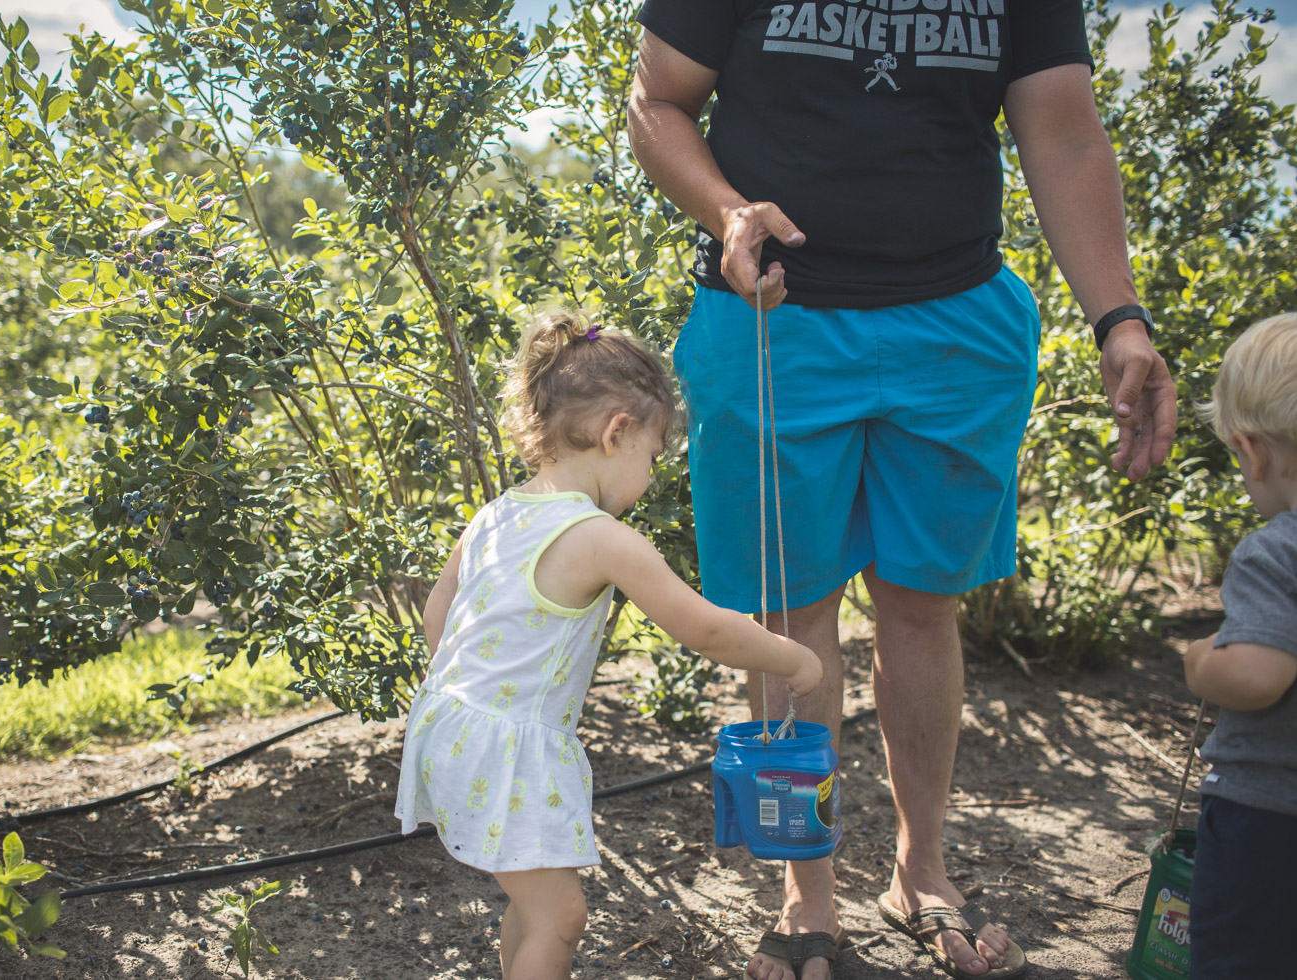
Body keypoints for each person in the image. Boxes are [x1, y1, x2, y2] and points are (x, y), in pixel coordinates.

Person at [626, 3, 1178, 979]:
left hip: (957, 323)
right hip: (772, 325)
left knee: (924, 606)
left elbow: (1062, 130)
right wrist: (725, 209)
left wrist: (1119, 316)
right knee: (789, 621)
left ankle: (922, 870)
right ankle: (807, 892)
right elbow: (657, 103)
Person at [393, 311, 824, 980]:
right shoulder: (599, 537)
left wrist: (468, 702)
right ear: (616, 432)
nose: (651, 477)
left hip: (448, 724)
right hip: (508, 746)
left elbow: (436, 615)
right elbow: (705, 627)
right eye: (653, 458)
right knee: (561, 916)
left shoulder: (497, 512)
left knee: (533, 903)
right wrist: (792, 658)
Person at [1183, 313, 1297, 979]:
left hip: (1268, 824)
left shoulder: (1275, 551)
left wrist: (1203, 660)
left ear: (1251, 451)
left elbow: (1255, 676)